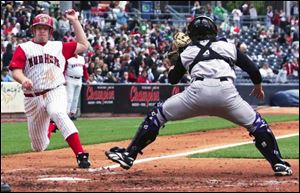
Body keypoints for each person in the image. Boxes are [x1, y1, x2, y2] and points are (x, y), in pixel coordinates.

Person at [105, 16, 293, 176]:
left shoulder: (187, 51)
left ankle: (130, 154)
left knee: (157, 115)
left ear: (191, 33)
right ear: (214, 31)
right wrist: (258, 87)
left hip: (197, 93)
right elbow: (253, 70)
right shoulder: (228, 46)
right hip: (227, 93)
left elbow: (172, 79)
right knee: (258, 125)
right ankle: (278, 162)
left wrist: (178, 55)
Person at [9, 10, 91, 168]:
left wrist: (75, 21)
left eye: (45, 28)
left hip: (55, 90)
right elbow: (16, 70)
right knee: (39, 146)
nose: (42, 31)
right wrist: (23, 79)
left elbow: (84, 45)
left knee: (58, 112)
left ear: (50, 31)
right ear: (33, 30)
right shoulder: (23, 48)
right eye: (39, 28)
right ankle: (51, 125)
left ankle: (81, 154)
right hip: (33, 97)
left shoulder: (58, 46)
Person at [65, 54, 89, 120]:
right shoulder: (68, 58)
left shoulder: (81, 58)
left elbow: (84, 69)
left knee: (76, 98)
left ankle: (73, 113)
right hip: (70, 78)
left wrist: (87, 78)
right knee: (69, 97)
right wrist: (64, 79)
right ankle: (66, 113)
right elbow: (64, 69)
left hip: (79, 79)